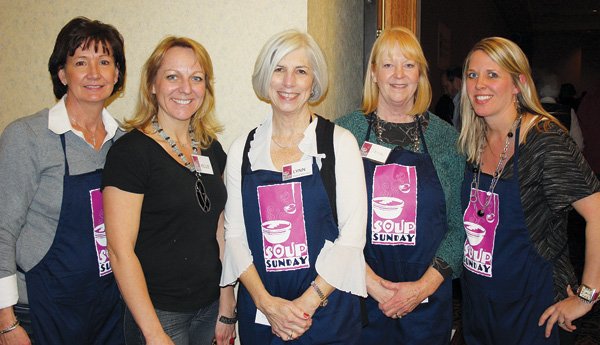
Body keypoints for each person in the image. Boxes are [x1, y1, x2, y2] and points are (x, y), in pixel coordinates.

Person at [220, 29, 367, 344]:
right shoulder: (242, 150)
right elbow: (234, 236)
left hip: (326, 316)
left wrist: (305, 304)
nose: (288, 82)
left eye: (300, 71)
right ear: (265, 78)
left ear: (313, 82)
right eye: (279, 69)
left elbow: (352, 239)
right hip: (262, 317)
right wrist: (266, 304)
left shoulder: (340, 144)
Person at [457, 36, 600, 344]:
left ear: (518, 83)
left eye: (492, 74)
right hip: (480, 306)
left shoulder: (545, 140)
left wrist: (587, 297)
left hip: (535, 311)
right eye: (472, 74)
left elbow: (598, 215)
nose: (479, 84)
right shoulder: (472, 140)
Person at [0, 17, 126, 344]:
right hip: (39, 310)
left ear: (117, 74)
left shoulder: (125, 143)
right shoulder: (26, 136)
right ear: (62, 73)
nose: (94, 73)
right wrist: (6, 322)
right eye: (80, 62)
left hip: (108, 310)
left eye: (104, 62)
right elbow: (2, 229)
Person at [102, 37, 235, 345]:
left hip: (209, 307)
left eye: (196, 78)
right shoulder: (131, 153)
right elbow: (120, 251)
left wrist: (227, 301)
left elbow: (220, 229)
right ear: (152, 84)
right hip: (159, 313)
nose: (185, 88)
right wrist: (153, 333)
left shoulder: (211, 149)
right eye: (173, 76)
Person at [336, 26, 465, 344]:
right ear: (374, 73)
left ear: (420, 74)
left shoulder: (445, 138)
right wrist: (373, 285)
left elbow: (460, 225)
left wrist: (422, 287)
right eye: (388, 64)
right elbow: (328, 220)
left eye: (409, 64)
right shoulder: (344, 133)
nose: (398, 75)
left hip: (427, 299)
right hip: (360, 295)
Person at [536, 71, 584, 150]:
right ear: (558, 91)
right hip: (561, 159)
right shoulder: (568, 112)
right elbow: (579, 144)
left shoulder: (530, 111)